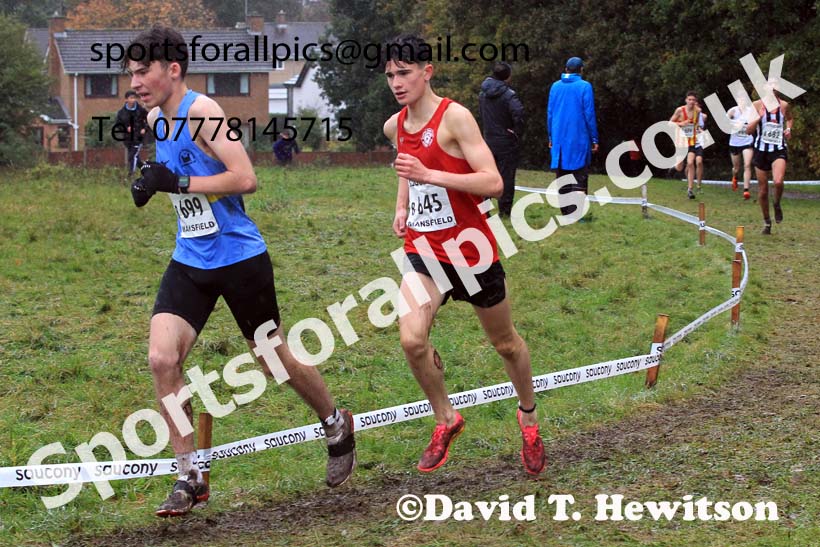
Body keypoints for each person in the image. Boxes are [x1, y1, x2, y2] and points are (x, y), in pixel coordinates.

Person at [124, 25, 355, 517]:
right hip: (191, 257)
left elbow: (245, 177)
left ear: (173, 69)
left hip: (239, 258)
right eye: (131, 73)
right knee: (162, 359)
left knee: (272, 359)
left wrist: (178, 182)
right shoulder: (155, 118)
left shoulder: (203, 112)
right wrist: (150, 182)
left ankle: (335, 423)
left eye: (143, 72)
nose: (135, 82)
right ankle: (189, 475)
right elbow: (178, 173)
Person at [382, 34, 546, 476]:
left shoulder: (455, 117)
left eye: (404, 73)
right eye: (391, 75)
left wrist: (430, 174)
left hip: (471, 250)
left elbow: (493, 183)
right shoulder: (395, 126)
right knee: (411, 339)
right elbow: (407, 169)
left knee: (505, 343)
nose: (397, 83)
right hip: (425, 250)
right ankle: (446, 418)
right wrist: (402, 206)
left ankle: (528, 417)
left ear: (427, 72)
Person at [546, 56, 599, 218]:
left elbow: (550, 113)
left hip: (559, 137)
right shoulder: (585, 86)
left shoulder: (555, 86)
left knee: (562, 175)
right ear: (581, 70)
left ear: (566, 69)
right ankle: (575, 213)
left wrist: (550, 136)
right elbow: (589, 113)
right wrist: (594, 138)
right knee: (579, 174)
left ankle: (565, 212)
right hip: (579, 137)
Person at [746, 79, 794, 234]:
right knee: (763, 191)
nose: (773, 87)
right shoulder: (756, 105)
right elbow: (748, 130)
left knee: (778, 181)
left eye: (776, 84)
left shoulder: (784, 105)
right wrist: (758, 118)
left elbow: (790, 119)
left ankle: (777, 203)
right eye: (770, 84)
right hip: (760, 150)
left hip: (778, 148)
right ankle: (767, 222)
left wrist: (788, 129)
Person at [479, 61, 524, 217]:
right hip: (506, 141)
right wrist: (516, 131)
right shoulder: (509, 95)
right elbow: (519, 113)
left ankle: (484, 210)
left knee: (486, 175)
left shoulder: (483, 94)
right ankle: (504, 211)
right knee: (506, 176)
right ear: (507, 77)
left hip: (487, 139)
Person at [670, 92, 708, 199]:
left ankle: (690, 189)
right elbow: (670, 123)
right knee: (680, 167)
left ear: (695, 101)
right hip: (681, 141)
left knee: (691, 163)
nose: (691, 101)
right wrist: (681, 124)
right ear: (686, 100)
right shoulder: (680, 110)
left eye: (693, 100)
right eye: (689, 99)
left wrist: (700, 131)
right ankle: (674, 168)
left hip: (692, 141)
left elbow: (698, 123)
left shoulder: (698, 111)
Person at [115, 89, 148, 175]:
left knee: (132, 156)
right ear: (126, 99)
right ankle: (147, 170)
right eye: (131, 98)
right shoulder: (121, 113)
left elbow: (149, 119)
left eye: (134, 98)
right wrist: (126, 128)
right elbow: (118, 125)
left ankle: (131, 175)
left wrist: (144, 128)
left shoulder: (141, 110)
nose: (133, 100)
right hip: (128, 138)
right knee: (136, 158)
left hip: (138, 137)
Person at [727, 93, 754, 199]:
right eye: (740, 99)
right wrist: (733, 124)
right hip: (735, 143)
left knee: (747, 165)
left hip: (747, 141)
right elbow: (724, 125)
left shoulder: (751, 111)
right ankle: (735, 177)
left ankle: (746, 190)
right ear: (737, 100)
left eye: (744, 99)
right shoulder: (732, 111)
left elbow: (755, 124)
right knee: (736, 168)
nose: (742, 101)